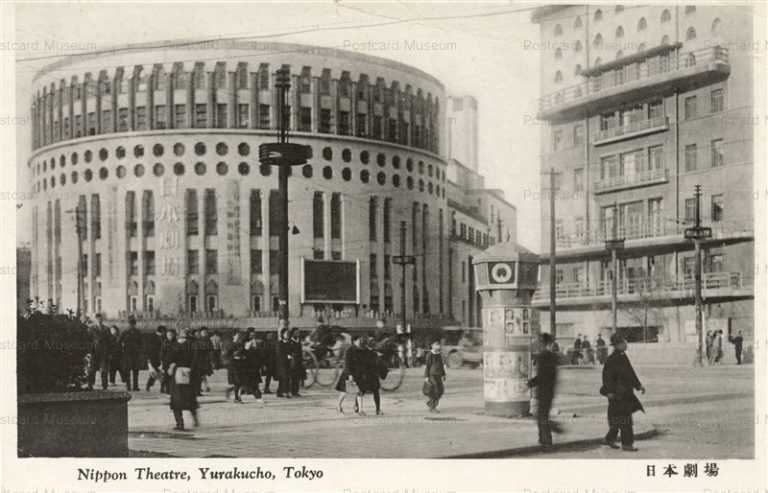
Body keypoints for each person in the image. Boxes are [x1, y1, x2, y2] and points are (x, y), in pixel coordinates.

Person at [600, 333, 646, 452]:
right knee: (625, 420)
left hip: (624, 393)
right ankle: (627, 444)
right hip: (617, 394)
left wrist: (638, 385)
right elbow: (607, 377)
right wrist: (609, 392)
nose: (626, 344)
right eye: (624, 342)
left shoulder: (622, 356)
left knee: (618, 419)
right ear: (618, 345)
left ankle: (609, 439)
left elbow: (630, 374)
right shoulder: (612, 359)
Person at [527, 332, 561, 450]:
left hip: (543, 391)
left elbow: (542, 376)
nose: (537, 343)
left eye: (539, 341)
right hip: (549, 390)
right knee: (541, 416)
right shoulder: (552, 356)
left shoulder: (543, 357)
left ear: (542, 342)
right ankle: (544, 439)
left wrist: (531, 383)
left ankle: (546, 440)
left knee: (541, 417)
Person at [166, 328, 200, 431]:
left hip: (177, 374)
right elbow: (195, 359)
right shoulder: (192, 344)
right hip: (187, 373)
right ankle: (194, 420)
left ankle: (180, 423)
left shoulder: (174, 344)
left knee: (176, 400)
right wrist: (191, 370)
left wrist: (170, 366)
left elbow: (168, 359)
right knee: (189, 398)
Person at [336, 334, 364, 414]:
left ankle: (360, 410)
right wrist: (350, 375)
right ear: (355, 341)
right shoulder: (349, 350)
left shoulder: (359, 350)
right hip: (349, 374)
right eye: (359, 340)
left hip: (357, 374)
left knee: (359, 391)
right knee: (344, 392)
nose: (361, 342)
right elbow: (347, 364)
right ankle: (338, 405)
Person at [358, 337, 385, 415]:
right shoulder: (372, 353)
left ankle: (359, 408)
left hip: (366, 375)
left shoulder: (363, 352)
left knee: (362, 391)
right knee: (375, 392)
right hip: (370, 375)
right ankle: (377, 409)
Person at [88, 313, 112, 391]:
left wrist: (109, 353)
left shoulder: (107, 329)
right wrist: (89, 351)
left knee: (104, 370)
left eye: (101, 318)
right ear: (95, 319)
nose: (99, 320)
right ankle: (90, 384)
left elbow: (109, 341)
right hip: (94, 351)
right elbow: (89, 340)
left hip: (104, 352)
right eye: (98, 318)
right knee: (92, 369)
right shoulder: (91, 328)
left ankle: (104, 385)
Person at [120, 315, 143, 391]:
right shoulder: (124, 332)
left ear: (134, 324)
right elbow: (119, 342)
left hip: (135, 354)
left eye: (133, 323)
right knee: (127, 370)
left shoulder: (138, 332)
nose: (131, 325)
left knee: (135, 370)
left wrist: (140, 351)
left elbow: (141, 343)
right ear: (128, 324)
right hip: (127, 353)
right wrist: (122, 350)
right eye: (130, 323)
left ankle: (135, 386)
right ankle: (128, 386)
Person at [424, 340, 447, 413]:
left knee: (440, 391)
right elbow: (427, 366)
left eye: (439, 344)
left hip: (439, 375)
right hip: (432, 375)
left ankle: (430, 403)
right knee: (435, 391)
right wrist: (426, 377)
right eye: (436, 344)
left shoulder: (439, 354)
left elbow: (441, 366)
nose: (438, 346)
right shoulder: (429, 355)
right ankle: (433, 407)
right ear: (432, 346)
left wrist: (443, 375)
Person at [244, 330, 264, 401]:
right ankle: (257, 395)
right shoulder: (246, 343)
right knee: (248, 381)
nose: (253, 336)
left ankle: (258, 395)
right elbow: (245, 352)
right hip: (248, 364)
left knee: (255, 381)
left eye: (254, 335)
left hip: (255, 364)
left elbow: (259, 353)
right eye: (251, 335)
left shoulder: (256, 343)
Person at [145, 325, 166, 391]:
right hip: (154, 358)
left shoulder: (162, 337)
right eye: (164, 331)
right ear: (162, 331)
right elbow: (150, 349)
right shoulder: (153, 337)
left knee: (161, 373)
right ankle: (149, 385)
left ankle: (161, 387)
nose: (164, 333)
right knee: (155, 373)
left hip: (160, 357)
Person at [195, 327, 214, 394]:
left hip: (206, 359)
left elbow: (211, 350)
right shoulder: (198, 341)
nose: (204, 333)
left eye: (205, 332)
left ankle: (204, 386)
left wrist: (210, 358)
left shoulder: (209, 341)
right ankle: (203, 387)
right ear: (201, 333)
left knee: (203, 374)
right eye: (203, 332)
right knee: (201, 374)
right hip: (199, 359)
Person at [275, 326, 293, 398]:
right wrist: (287, 356)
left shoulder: (289, 343)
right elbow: (279, 353)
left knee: (287, 377)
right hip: (281, 363)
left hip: (288, 363)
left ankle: (280, 392)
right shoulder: (279, 343)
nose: (287, 335)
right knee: (284, 377)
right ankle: (284, 391)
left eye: (288, 333)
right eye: (286, 333)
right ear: (282, 334)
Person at [288, 328, 305, 397]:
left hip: (299, 361)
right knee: (293, 377)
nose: (298, 334)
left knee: (297, 377)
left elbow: (300, 352)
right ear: (293, 333)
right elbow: (288, 352)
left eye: (298, 332)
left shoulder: (298, 341)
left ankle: (296, 391)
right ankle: (292, 391)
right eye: (296, 332)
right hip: (293, 361)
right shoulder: (290, 341)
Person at [160, 328, 177, 394]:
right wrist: (162, 361)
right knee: (166, 376)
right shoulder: (165, 343)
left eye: (171, 335)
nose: (170, 336)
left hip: (174, 361)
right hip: (166, 361)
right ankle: (166, 389)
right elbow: (162, 353)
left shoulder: (176, 342)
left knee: (173, 376)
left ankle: (171, 389)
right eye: (168, 335)